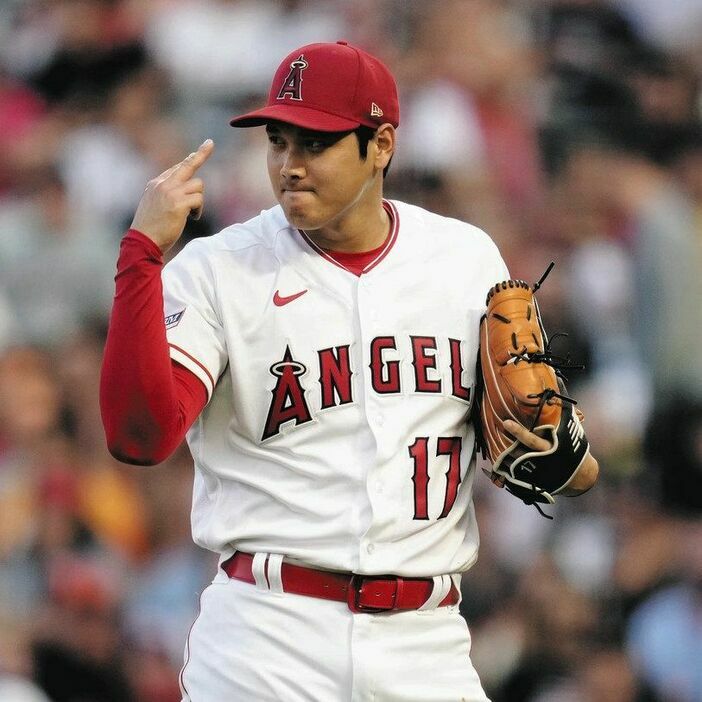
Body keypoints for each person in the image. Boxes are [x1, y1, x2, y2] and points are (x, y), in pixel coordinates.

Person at [100, 41, 598, 702]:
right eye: (278, 142)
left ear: (381, 145)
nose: (290, 166)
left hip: (425, 641)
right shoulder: (221, 268)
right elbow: (139, 436)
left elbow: (554, 458)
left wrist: (560, 455)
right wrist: (141, 257)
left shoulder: (463, 260)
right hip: (269, 636)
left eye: (316, 144)